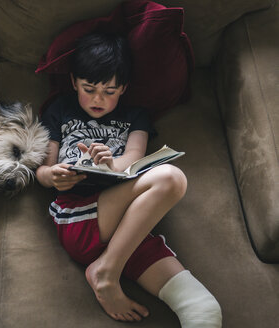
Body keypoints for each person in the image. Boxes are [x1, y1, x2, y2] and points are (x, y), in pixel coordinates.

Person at [36, 33, 222, 327]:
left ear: (123, 88)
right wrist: (53, 176)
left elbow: (133, 158)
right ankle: (106, 275)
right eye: (89, 88)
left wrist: (110, 163)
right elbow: (43, 170)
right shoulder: (60, 110)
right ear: (73, 82)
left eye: (110, 91)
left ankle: (108, 264)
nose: (99, 99)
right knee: (171, 179)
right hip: (80, 217)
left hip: (129, 230)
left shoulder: (136, 116)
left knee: (205, 310)